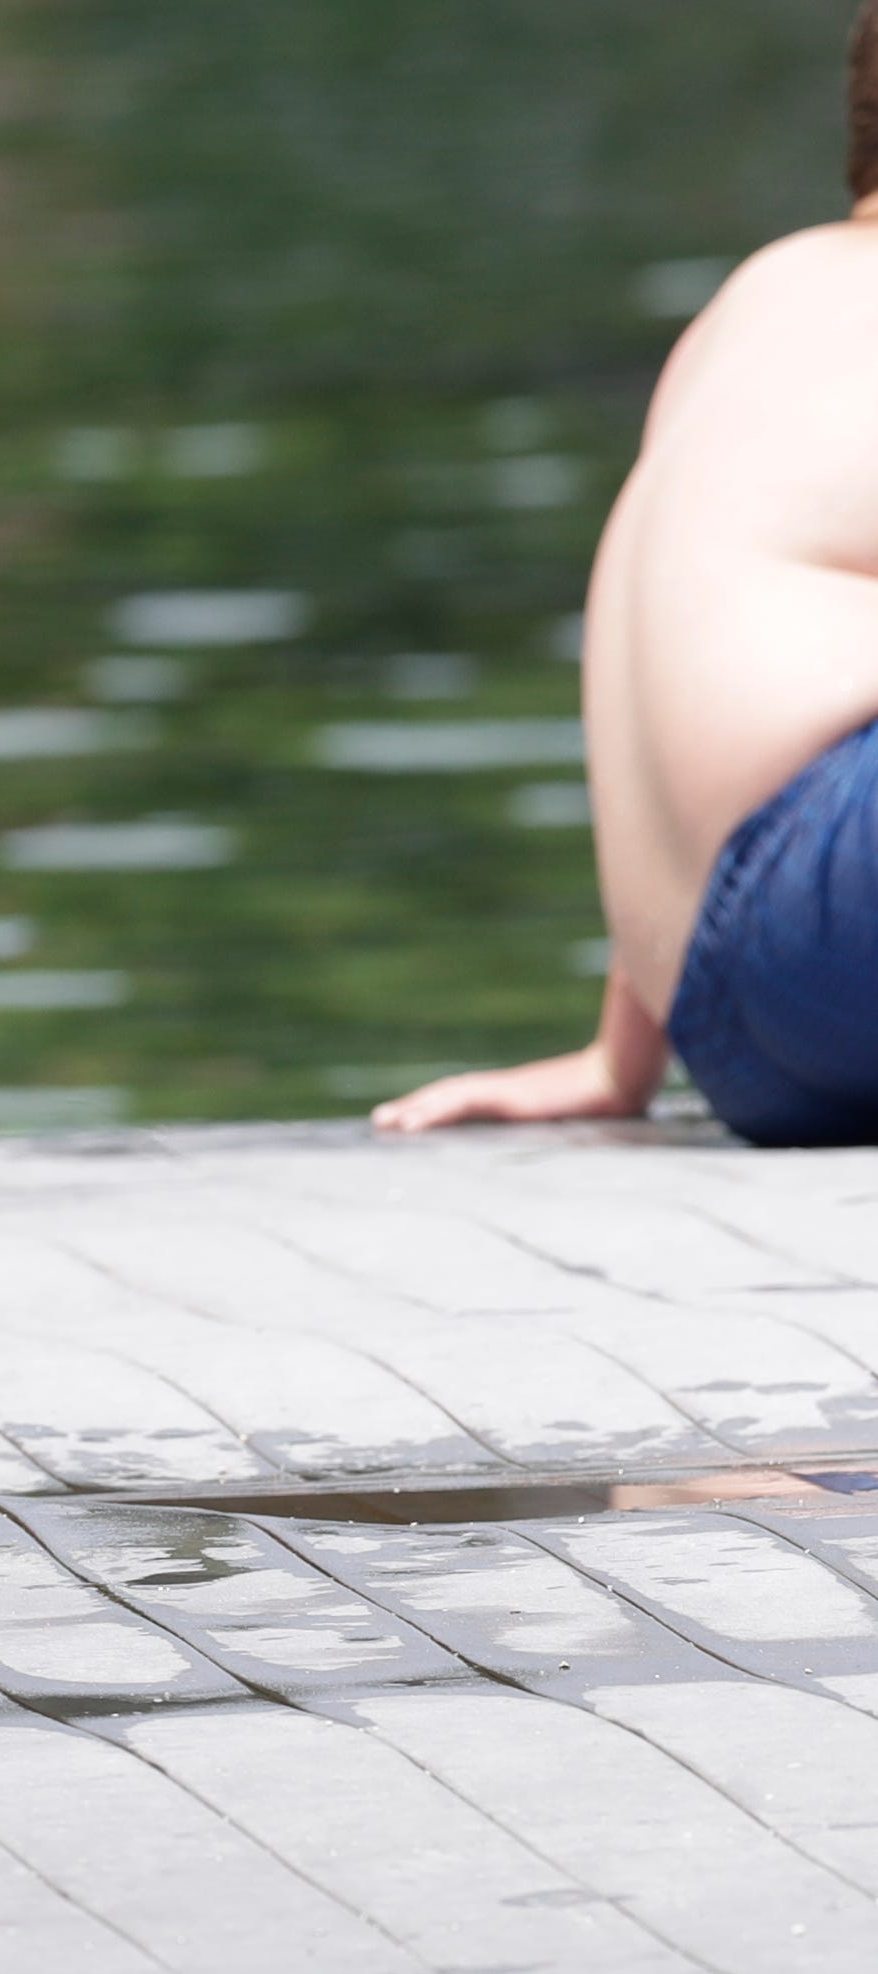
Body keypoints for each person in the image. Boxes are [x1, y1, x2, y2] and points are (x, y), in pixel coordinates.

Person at [376, 9, 878, 1146]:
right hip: (840, 898)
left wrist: (622, 1056)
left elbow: (677, 648)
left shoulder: (751, 301)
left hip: (745, 1037)